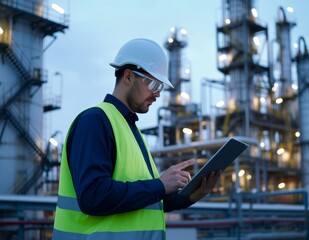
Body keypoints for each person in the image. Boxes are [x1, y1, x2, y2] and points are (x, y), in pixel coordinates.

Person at [52, 38, 221, 240]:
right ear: (129, 76)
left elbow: (143, 200)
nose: (157, 94)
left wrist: (191, 196)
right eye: (152, 83)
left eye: (160, 86)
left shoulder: (130, 129)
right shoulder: (95, 121)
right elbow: (93, 196)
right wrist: (159, 185)